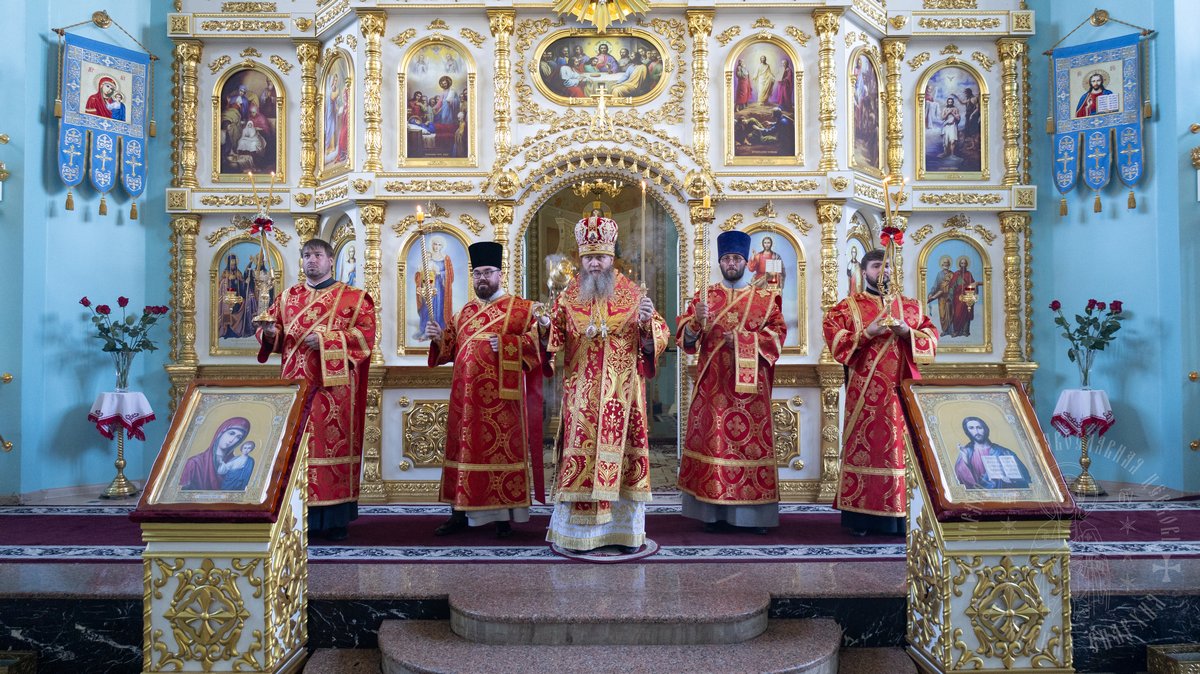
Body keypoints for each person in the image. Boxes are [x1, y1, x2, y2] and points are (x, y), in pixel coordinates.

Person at [537, 214, 669, 554]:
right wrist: (544, 325)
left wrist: (647, 326)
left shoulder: (634, 294)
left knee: (623, 462)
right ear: (581, 259)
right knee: (581, 460)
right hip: (581, 397)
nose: (595, 263)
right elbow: (553, 339)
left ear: (612, 258)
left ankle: (624, 534)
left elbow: (658, 337)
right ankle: (579, 536)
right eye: (589, 257)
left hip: (623, 399)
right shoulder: (568, 296)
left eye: (601, 257)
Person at [257, 238, 376, 541]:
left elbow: (365, 338)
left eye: (318, 255)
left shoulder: (354, 298)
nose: (312, 260)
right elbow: (272, 332)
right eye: (307, 255)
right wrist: (268, 332)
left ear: (330, 260)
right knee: (296, 449)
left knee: (332, 446)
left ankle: (335, 520)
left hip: (334, 391)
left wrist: (326, 339)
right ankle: (296, 516)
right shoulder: (287, 297)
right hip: (295, 388)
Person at [427, 242, 544, 539]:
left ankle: (503, 517)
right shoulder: (464, 312)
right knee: (463, 451)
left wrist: (508, 344)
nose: (482, 278)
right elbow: (449, 349)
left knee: (498, 455)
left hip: (502, 403)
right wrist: (439, 338)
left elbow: (540, 347)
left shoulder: (521, 309)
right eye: (477, 273)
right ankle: (459, 512)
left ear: (500, 275)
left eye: (488, 272)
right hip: (465, 400)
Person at [821, 249, 937, 536]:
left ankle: (901, 517)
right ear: (864, 271)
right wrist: (868, 332)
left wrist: (907, 332)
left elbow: (932, 340)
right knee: (865, 450)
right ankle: (860, 518)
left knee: (899, 451)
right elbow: (835, 340)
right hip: (864, 396)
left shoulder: (910, 307)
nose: (883, 271)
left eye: (887, 267)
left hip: (900, 393)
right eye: (876, 266)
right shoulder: (848, 307)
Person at [676, 231, 786, 534]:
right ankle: (712, 514)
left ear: (745, 262)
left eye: (737, 258)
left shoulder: (765, 299)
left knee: (749, 448)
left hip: (751, 394)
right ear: (720, 262)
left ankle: (754, 517)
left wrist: (742, 340)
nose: (732, 263)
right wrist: (695, 321)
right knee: (715, 447)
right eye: (727, 259)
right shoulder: (705, 297)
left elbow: (778, 336)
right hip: (714, 389)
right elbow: (686, 340)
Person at [954, 417, 1032, 490]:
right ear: (967, 431)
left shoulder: (1004, 452)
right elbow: (964, 482)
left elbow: (1025, 478)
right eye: (971, 428)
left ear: (985, 429)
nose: (976, 432)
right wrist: (966, 462)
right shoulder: (966, 453)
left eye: (979, 427)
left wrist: (1012, 480)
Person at [180, 417, 251, 491]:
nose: (232, 440)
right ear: (220, 433)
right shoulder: (194, 463)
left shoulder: (236, 464)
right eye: (231, 433)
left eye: (238, 437)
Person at [415, 235, 455, 339]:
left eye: (439, 245)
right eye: (435, 244)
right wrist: (421, 274)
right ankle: (425, 329)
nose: (436, 247)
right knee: (427, 306)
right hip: (428, 285)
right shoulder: (427, 256)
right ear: (432, 245)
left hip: (440, 287)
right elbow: (420, 272)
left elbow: (450, 274)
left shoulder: (446, 258)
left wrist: (440, 274)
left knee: (439, 306)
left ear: (442, 246)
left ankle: (440, 330)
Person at [947, 256, 977, 337]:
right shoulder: (956, 274)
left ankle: (965, 331)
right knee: (957, 314)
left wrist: (973, 294)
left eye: (964, 263)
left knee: (967, 314)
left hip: (967, 297)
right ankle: (956, 331)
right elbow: (952, 286)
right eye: (961, 263)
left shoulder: (969, 274)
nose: (963, 265)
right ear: (959, 264)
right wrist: (950, 296)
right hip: (958, 298)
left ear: (966, 264)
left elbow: (973, 284)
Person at [925, 255, 954, 335]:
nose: (946, 264)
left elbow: (954, 286)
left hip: (949, 297)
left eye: (947, 263)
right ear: (942, 264)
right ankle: (945, 331)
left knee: (950, 313)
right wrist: (931, 293)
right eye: (944, 262)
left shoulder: (952, 274)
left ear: (949, 264)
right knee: (942, 314)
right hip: (941, 298)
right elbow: (936, 285)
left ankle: (951, 330)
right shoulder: (939, 274)